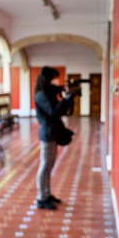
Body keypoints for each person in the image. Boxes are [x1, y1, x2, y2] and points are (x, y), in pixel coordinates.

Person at [34, 66, 76, 210]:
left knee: (50, 165)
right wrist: (65, 99)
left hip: (52, 132)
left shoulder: (47, 91)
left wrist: (65, 93)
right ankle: (41, 197)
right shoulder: (41, 95)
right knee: (45, 165)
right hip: (47, 133)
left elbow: (56, 91)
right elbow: (53, 112)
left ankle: (47, 194)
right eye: (52, 79)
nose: (54, 82)